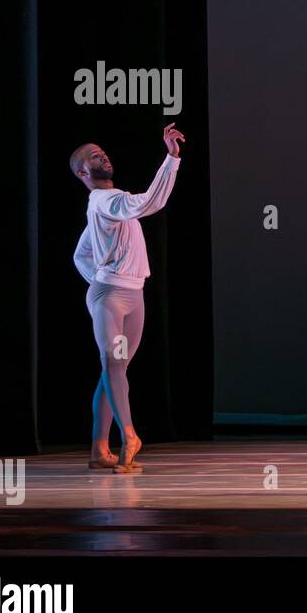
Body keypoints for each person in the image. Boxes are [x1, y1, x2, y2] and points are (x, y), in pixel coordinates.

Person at [70, 123, 185, 473]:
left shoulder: (105, 207)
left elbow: (81, 253)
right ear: (82, 172)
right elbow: (150, 201)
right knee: (113, 365)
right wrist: (172, 158)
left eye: (102, 151)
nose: (101, 155)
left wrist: (104, 276)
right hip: (111, 299)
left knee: (114, 371)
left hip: (133, 296)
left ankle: (98, 449)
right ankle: (130, 436)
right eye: (93, 156)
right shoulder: (108, 200)